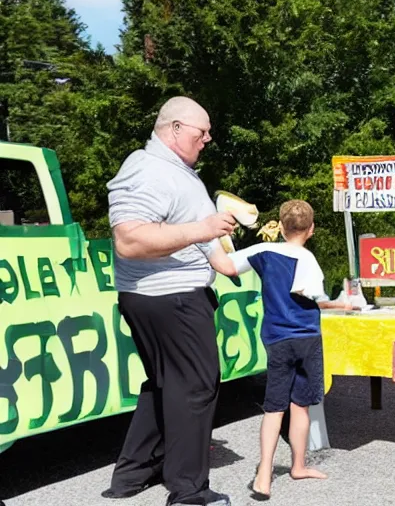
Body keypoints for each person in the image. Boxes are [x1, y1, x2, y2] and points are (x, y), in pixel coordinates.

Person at [102, 96, 236, 506]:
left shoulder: (180, 174)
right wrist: (203, 227)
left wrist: (272, 257)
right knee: (196, 388)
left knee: (165, 385)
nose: (208, 139)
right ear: (175, 129)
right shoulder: (148, 170)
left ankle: (132, 475)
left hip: (172, 296)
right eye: (202, 132)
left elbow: (216, 257)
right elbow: (129, 240)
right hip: (169, 299)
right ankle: (188, 491)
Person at [206, 199, 353, 500]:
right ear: (311, 229)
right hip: (308, 337)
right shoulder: (309, 260)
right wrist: (343, 303)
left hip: (276, 338)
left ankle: (264, 475)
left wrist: (208, 234)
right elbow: (316, 299)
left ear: (281, 227)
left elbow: (225, 265)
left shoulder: (264, 251)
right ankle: (298, 465)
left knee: (275, 407)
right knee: (301, 405)